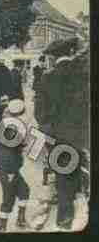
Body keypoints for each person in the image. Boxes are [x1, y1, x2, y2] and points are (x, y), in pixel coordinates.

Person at [35, 38, 89, 231]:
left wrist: (48, 132)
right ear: (72, 52)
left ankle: (64, 221)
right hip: (82, 134)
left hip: (58, 136)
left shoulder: (47, 77)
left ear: (53, 57)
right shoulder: (83, 75)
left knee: (64, 177)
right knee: (83, 173)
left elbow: (39, 113)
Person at [0, 99, 30, 231]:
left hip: (11, 169)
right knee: (8, 199)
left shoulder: (8, 123)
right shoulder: (11, 129)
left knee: (24, 191)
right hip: (8, 169)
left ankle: (20, 219)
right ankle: (2, 227)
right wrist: (10, 171)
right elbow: (8, 152)